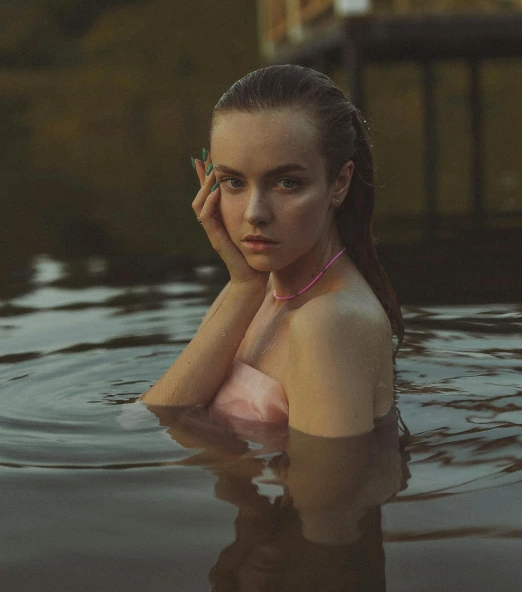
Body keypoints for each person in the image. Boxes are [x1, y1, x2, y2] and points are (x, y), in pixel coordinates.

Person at [140, 64, 404, 438]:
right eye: (233, 182)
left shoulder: (327, 323)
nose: (254, 214)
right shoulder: (253, 291)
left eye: (286, 183)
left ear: (339, 183)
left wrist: (226, 475)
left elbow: (328, 495)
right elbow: (148, 417)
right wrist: (243, 288)